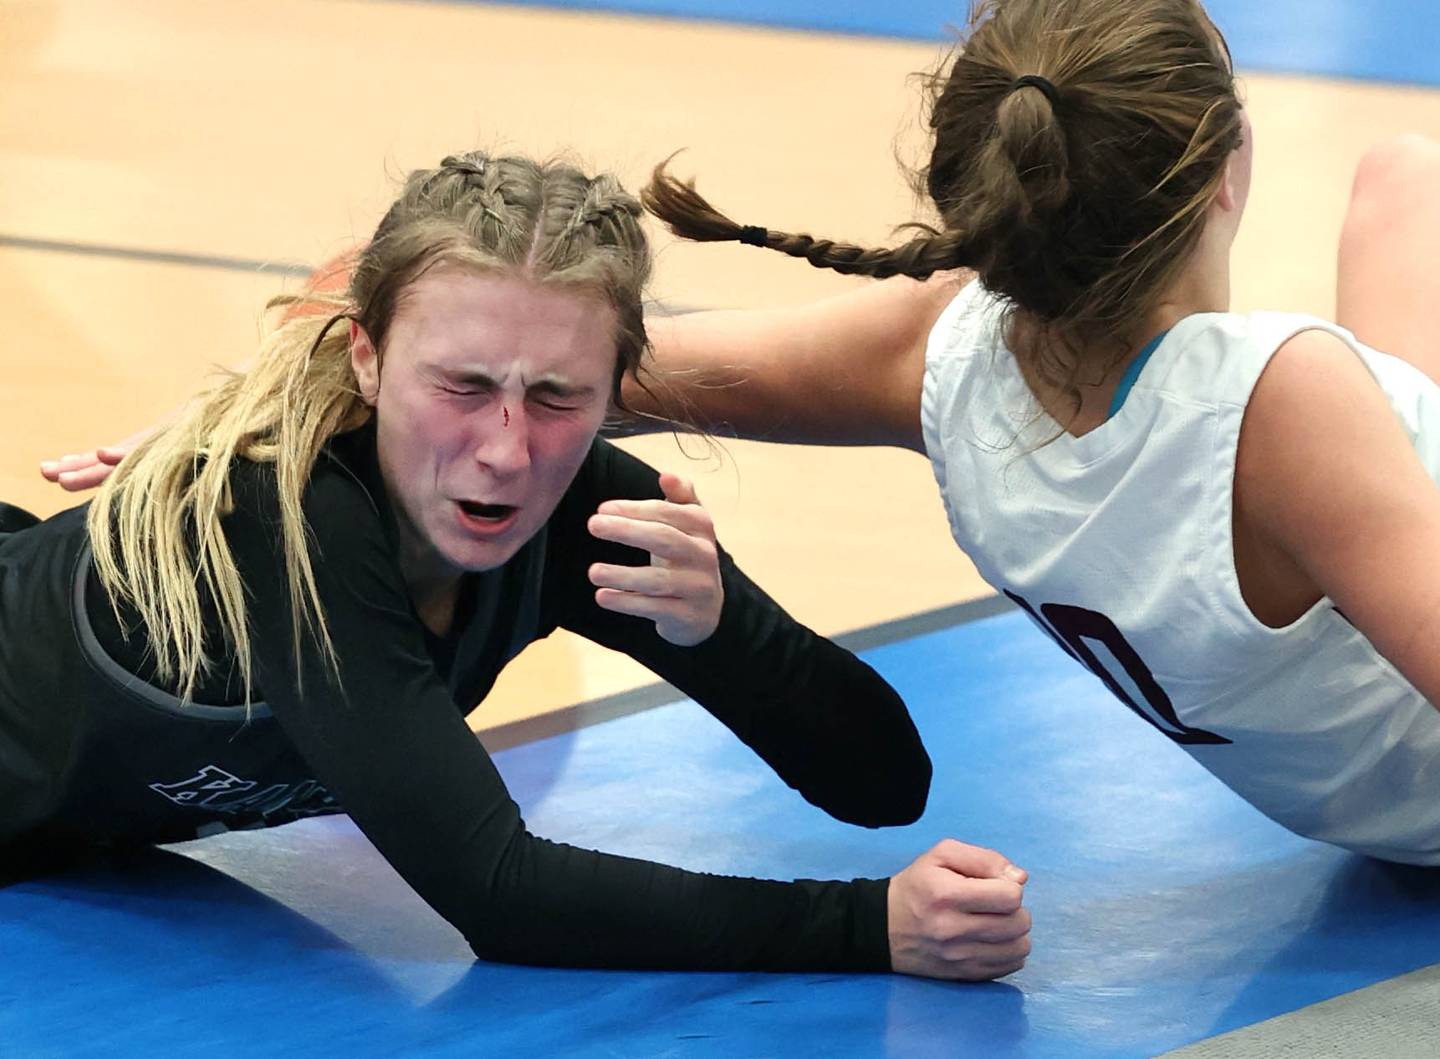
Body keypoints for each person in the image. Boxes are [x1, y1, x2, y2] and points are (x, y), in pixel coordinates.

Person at [6, 151, 1033, 980]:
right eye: (461, 385)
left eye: (557, 395)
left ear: (619, 387)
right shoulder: (291, 517)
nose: (506, 449)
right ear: (365, 358)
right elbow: (496, 891)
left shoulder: (583, 507)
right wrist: (865, 927)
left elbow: (884, 781)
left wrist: (726, 635)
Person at [626, 0, 1440, 865]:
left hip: (1370, 789)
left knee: (1405, 177)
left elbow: (601, 368)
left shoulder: (936, 358)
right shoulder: (1281, 404)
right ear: (1228, 169)